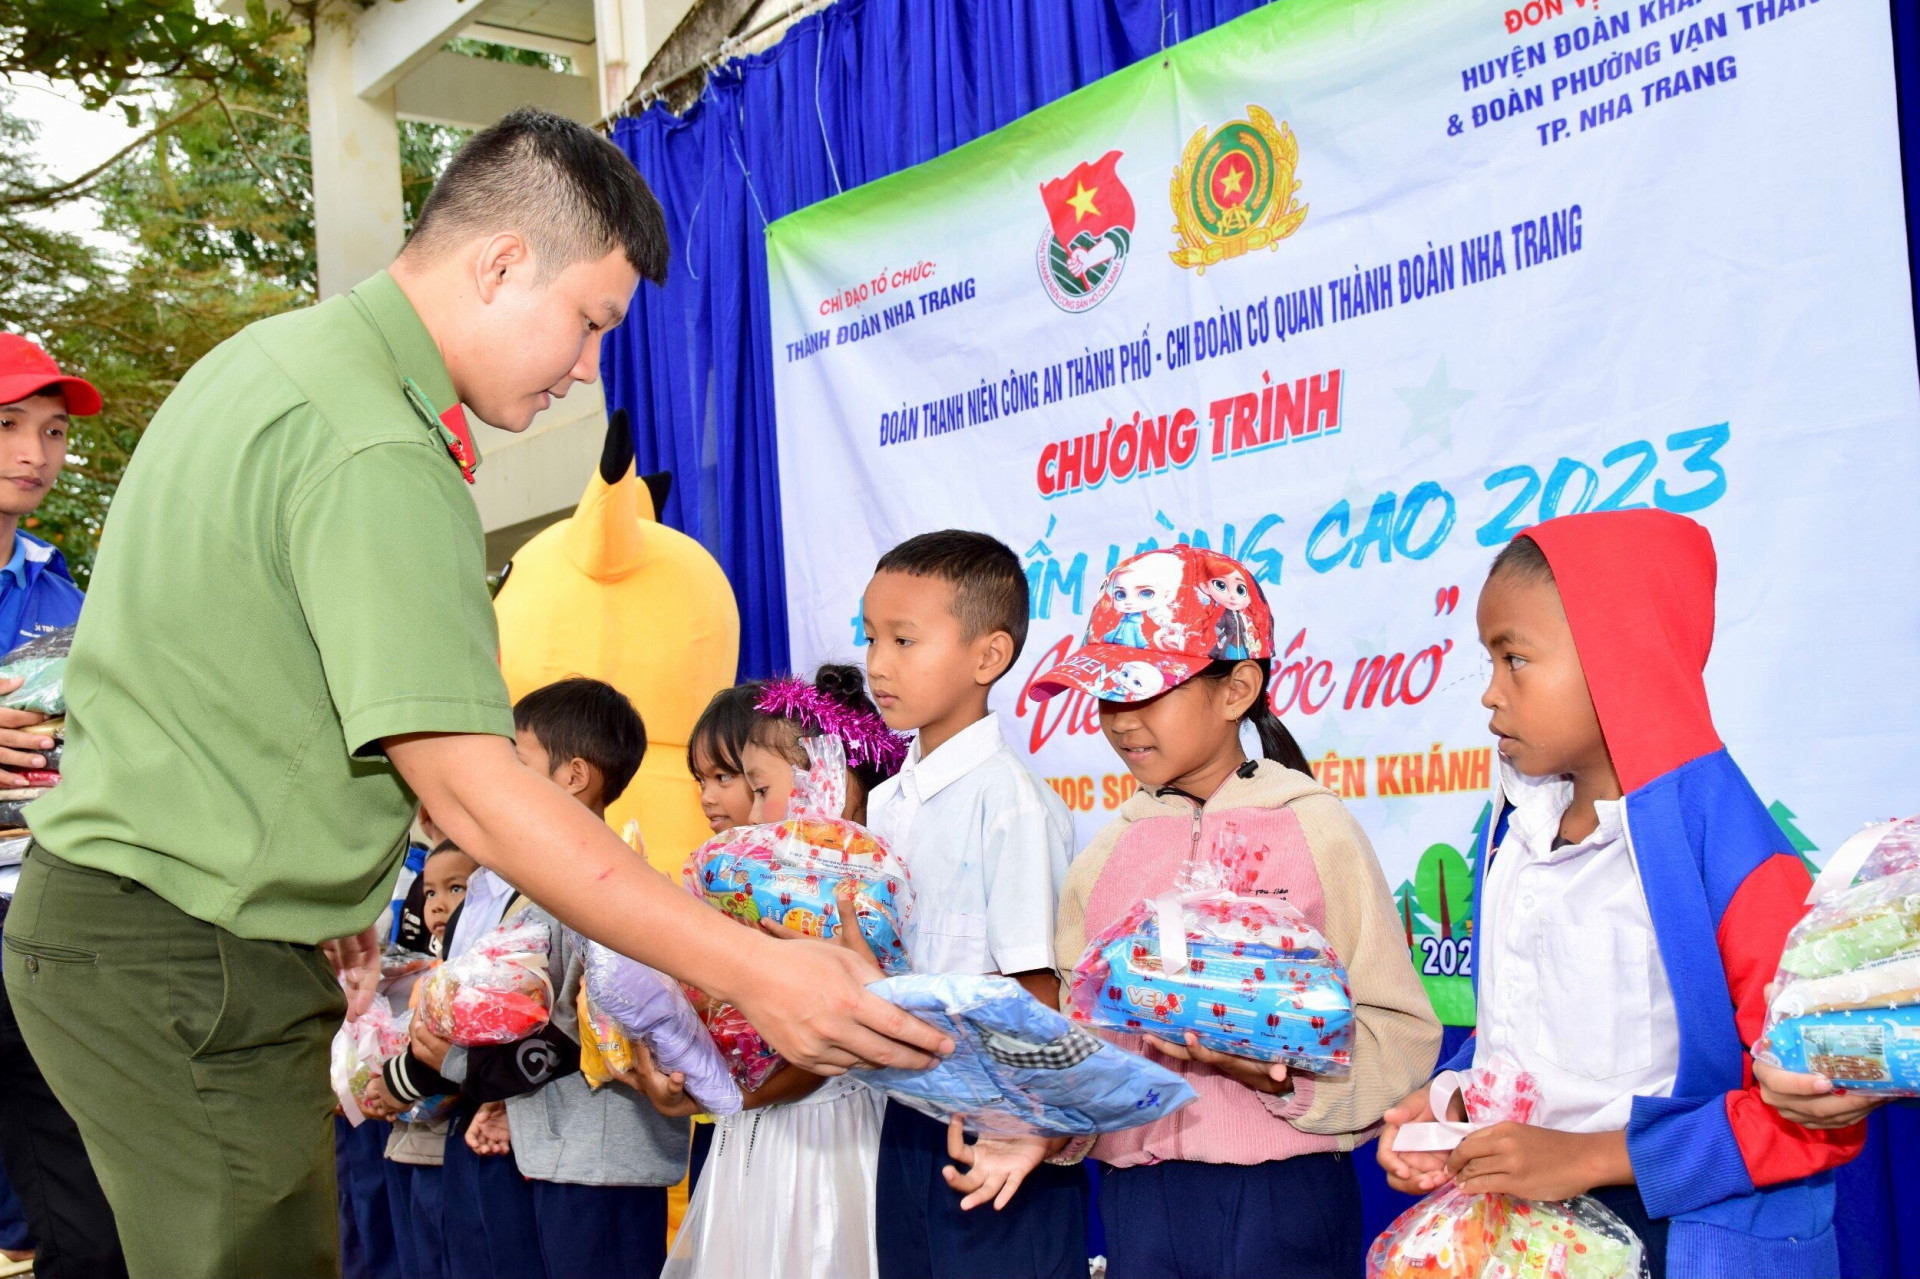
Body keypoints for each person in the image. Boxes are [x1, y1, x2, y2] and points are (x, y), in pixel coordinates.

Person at [1, 107, 944, 1277]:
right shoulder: (377, 446)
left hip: (151, 934)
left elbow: (215, 680)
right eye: (590, 322)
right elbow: (481, 792)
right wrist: (754, 966)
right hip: (185, 951)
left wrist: (316, 858)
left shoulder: (277, 365)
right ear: (501, 264)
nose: (589, 368)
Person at [1377, 511, 1867, 1278]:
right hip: (1536, 1243)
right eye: (1489, 661)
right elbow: (1533, 1036)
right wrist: (1450, 1104)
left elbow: (1816, 1115)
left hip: (1685, 1240)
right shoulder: (1515, 833)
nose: (1491, 695)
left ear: (1617, 657)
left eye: (1514, 658)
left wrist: (1590, 1156)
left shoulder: (1738, 856)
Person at [1029, 544, 1439, 1279]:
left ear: (1236, 687)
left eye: (1146, 688)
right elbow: (1080, 1039)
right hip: (1136, 1204)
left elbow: (1402, 1035)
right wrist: (1043, 1122)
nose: (1120, 719)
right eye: (1108, 694)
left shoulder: (1316, 829)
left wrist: (1281, 1077)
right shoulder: (1102, 860)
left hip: (1284, 1196)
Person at [377, 679, 689, 1279]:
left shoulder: (611, 885)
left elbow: (573, 1032)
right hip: (522, 1142)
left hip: (597, 1161)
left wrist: (457, 1070)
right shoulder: (497, 885)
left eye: (517, 763)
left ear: (574, 776)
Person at [859, 531, 1086, 1279]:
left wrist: (1016, 1123)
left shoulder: (1011, 803)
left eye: (903, 640)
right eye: (870, 638)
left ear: (988, 657)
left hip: (995, 1121)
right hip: (905, 1119)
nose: (877, 664)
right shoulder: (887, 800)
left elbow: (1038, 991)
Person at [648, 668, 905, 1279]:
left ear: (826, 784)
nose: (741, 807)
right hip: (760, 1122)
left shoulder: (855, 883)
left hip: (824, 1129)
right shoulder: (747, 883)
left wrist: (740, 1092)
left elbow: (832, 1036)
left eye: (753, 786)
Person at [0, 335, 123, 1279]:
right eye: (7, 426)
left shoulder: (64, 588)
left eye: (50, 430)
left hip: (46, 923)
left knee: (83, 1211)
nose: (34, 452)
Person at [377, 839, 476, 1279]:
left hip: (445, 1141)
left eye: (455, 888)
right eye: (430, 892)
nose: (438, 905)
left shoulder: (475, 970)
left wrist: (398, 1087)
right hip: (412, 1134)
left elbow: (453, 1057)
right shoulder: (432, 969)